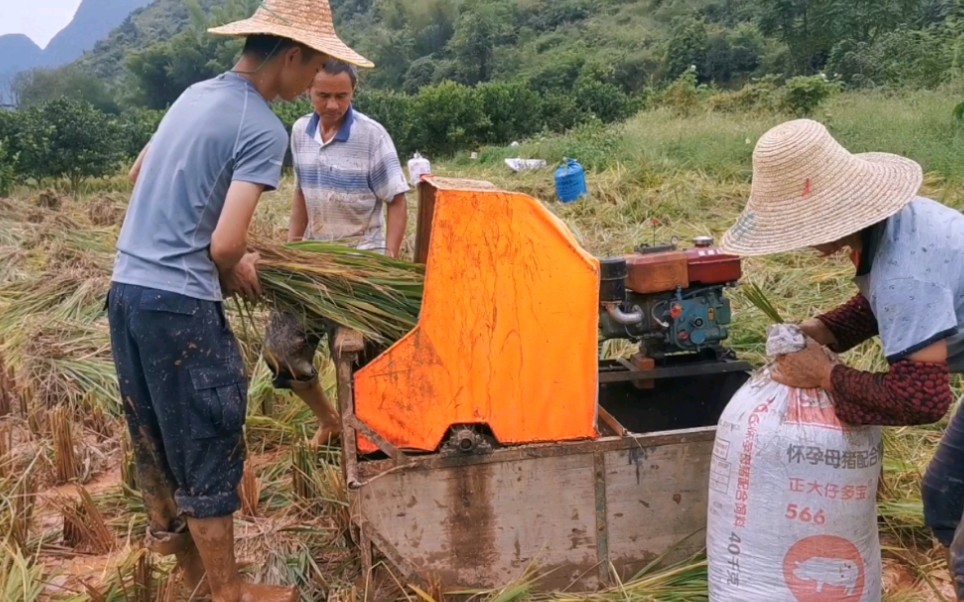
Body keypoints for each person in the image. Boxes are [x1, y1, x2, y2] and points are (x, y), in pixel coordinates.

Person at [106, 1, 372, 600]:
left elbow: (137, 172)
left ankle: (199, 584)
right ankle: (230, 593)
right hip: (179, 307)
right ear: (292, 54)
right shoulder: (260, 125)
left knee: (155, 442)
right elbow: (226, 246)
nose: (313, 85)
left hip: (126, 293)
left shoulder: (195, 94)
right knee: (206, 437)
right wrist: (239, 262)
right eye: (313, 70)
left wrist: (205, 237)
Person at [719, 118, 964, 598]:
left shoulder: (905, 273)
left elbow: (922, 399)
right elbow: (886, 306)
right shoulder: (894, 227)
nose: (806, 241)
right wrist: (825, 330)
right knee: (945, 499)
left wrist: (827, 375)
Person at [261, 59, 410, 447]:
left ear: (353, 93)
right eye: (323, 95)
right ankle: (330, 421)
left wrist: (388, 258)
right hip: (313, 263)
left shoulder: (371, 136)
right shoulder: (299, 132)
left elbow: (397, 199)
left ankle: (368, 438)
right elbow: (301, 193)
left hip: (359, 264)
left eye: (341, 96)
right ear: (309, 91)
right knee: (280, 351)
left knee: (360, 361)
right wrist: (291, 252)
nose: (332, 105)